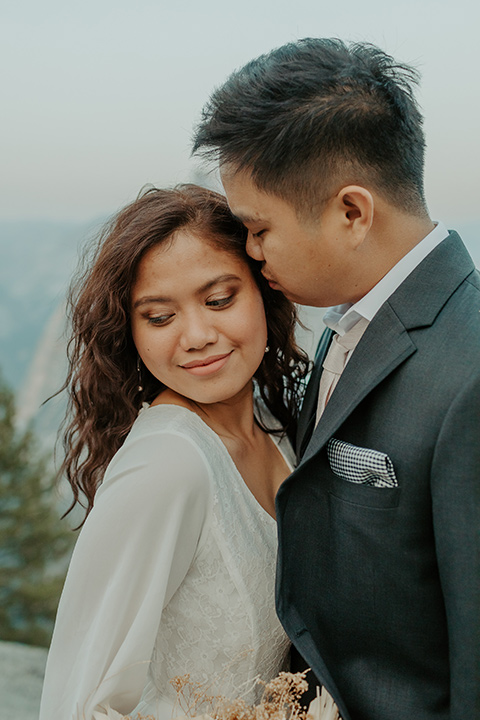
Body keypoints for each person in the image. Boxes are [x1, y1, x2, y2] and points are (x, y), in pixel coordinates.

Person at [193, 38, 480, 720]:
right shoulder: (342, 324)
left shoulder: (469, 374)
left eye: (258, 229)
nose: (251, 253)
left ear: (352, 212)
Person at [39, 184, 309, 720]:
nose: (197, 335)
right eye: (160, 317)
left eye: (219, 300)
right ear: (131, 334)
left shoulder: (279, 428)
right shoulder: (168, 464)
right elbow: (76, 703)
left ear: (263, 291)